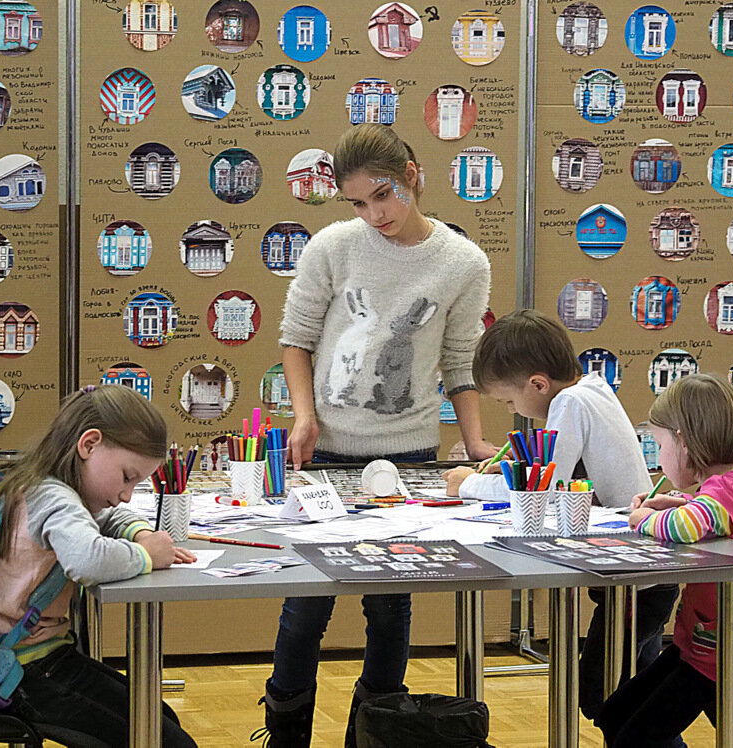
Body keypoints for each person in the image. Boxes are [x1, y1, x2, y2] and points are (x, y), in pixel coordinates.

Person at [256, 123, 498, 748]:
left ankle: (378, 733)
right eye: (359, 203)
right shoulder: (334, 247)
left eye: (383, 196)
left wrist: (474, 442)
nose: (374, 214)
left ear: (414, 174)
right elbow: (297, 337)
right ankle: (286, 737)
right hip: (328, 449)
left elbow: (460, 360)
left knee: (390, 606)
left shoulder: (463, 262)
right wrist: (304, 416)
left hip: (409, 452)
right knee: (305, 604)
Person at [441, 309, 681, 736]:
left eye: (510, 402)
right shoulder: (591, 388)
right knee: (638, 699)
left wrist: (468, 486)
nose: (514, 411)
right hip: (641, 573)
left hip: (635, 580)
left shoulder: (568, 402)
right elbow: (561, 473)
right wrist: (514, 468)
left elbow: (544, 493)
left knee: (603, 696)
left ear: (538, 384)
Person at [0, 384, 197, 747]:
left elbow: (100, 517)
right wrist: (147, 556)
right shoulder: (55, 498)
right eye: (128, 476)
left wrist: (138, 531)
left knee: (156, 718)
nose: (126, 493)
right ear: (89, 444)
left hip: (10, 659)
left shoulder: (33, 480)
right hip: (20, 671)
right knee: (162, 738)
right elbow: (87, 560)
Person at [595, 373, 733, 747]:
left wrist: (642, 518)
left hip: (726, 654)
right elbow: (705, 515)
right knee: (614, 715)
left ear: (682, 442)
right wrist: (683, 503)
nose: (659, 460)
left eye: (659, 446)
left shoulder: (725, 491)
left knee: (634, 737)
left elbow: (683, 526)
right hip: (702, 645)